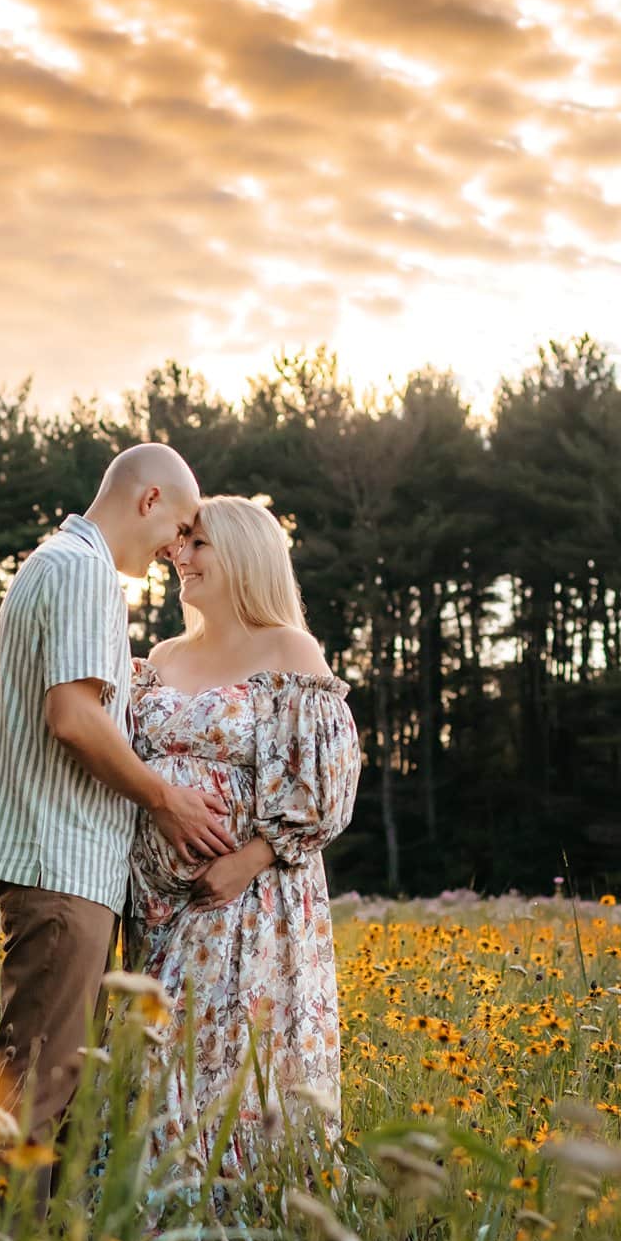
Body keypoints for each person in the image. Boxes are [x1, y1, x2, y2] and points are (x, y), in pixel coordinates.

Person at [0, 444, 236, 1200]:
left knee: (48, 1083)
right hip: (60, 862)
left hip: (61, 863)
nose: (179, 549)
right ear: (147, 501)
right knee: (37, 1094)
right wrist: (165, 798)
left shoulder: (60, 564)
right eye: (178, 528)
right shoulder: (82, 571)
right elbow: (74, 717)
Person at [124, 495, 360, 1179]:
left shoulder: (287, 651)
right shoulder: (163, 654)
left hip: (247, 904)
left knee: (231, 1075)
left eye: (197, 543)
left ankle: (241, 1215)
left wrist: (247, 861)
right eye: (180, 542)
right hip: (156, 909)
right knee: (152, 1071)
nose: (179, 554)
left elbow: (327, 787)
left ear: (245, 555)